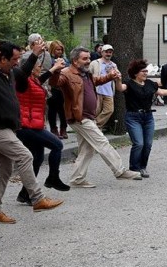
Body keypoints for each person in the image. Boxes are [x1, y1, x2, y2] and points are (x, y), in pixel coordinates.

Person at [0, 40, 64, 224]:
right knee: (25, 156)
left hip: (4, 128)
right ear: (0, 58)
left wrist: (35, 54)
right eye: (14, 59)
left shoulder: (9, 74)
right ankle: (37, 198)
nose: (16, 62)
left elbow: (23, 74)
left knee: (3, 171)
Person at [49, 47, 141, 188]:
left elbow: (97, 80)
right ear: (74, 61)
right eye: (84, 59)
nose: (88, 61)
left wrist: (110, 76)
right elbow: (55, 83)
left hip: (88, 116)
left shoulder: (86, 73)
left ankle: (77, 179)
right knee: (102, 142)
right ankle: (120, 170)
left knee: (87, 149)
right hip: (79, 117)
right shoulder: (66, 73)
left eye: (89, 58)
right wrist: (55, 70)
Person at [15, 54, 71, 206]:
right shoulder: (23, 81)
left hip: (34, 124)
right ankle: (53, 178)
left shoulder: (33, 80)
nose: (40, 67)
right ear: (30, 67)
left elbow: (41, 80)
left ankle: (25, 193)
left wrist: (54, 69)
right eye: (38, 65)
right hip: (27, 125)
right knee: (57, 145)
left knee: (37, 158)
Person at [115, 59, 167, 178]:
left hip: (148, 117)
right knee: (139, 143)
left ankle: (143, 167)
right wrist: (117, 79)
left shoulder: (150, 83)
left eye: (146, 71)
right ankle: (133, 169)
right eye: (143, 71)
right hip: (133, 117)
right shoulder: (129, 83)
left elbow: (162, 92)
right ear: (135, 73)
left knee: (148, 144)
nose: (145, 73)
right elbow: (120, 88)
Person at [90, 44, 117, 128]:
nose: (108, 54)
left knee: (109, 110)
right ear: (102, 52)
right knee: (95, 111)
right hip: (97, 90)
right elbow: (88, 75)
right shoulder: (95, 63)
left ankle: (95, 126)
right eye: (106, 52)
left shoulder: (113, 65)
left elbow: (117, 76)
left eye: (110, 52)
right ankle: (94, 129)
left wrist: (116, 74)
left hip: (108, 91)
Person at [47, 40, 70, 139]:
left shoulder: (65, 59)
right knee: (52, 108)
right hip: (52, 87)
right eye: (57, 49)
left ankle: (63, 128)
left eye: (61, 49)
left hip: (63, 87)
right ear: (52, 49)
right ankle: (53, 129)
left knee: (63, 109)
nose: (59, 51)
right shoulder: (49, 59)